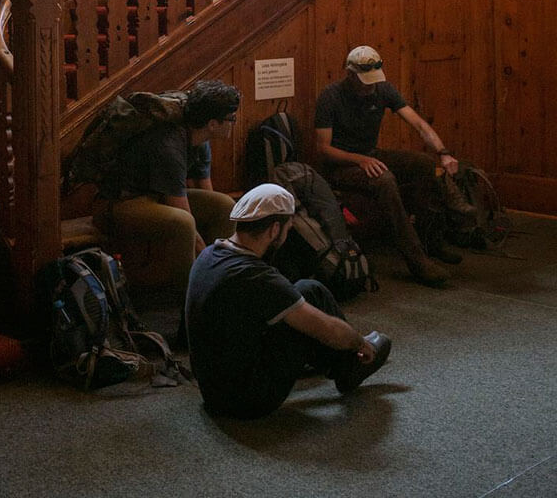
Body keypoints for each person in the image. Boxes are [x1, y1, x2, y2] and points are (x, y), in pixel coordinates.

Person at [186, 183, 391, 418]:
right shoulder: (256, 277)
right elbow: (325, 327)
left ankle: (341, 364)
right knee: (311, 298)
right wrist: (358, 342)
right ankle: (352, 366)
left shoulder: (209, 254)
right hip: (245, 402)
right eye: (288, 228)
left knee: (305, 290)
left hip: (213, 391)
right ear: (274, 229)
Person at [314, 45, 460, 287]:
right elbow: (324, 149)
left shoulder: (383, 89)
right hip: (341, 165)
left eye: (373, 81)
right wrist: (359, 160)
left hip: (371, 155)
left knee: (423, 163)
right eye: (364, 81)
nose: (370, 86)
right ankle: (416, 260)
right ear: (350, 74)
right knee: (385, 179)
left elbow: (419, 124)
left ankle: (431, 239)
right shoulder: (330, 96)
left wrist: (443, 153)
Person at [100, 79, 241, 294]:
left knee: (224, 205)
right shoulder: (169, 143)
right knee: (183, 222)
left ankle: (222, 278)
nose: (234, 122)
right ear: (212, 123)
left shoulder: (200, 139)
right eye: (231, 118)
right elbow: (179, 205)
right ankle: (192, 295)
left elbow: (205, 190)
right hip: (125, 201)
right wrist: (205, 257)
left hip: (155, 196)